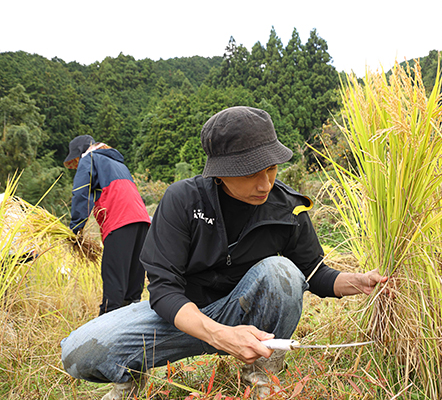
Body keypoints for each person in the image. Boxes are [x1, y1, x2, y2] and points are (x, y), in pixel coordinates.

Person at [60, 107, 387, 400]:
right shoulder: (183, 200)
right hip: (183, 316)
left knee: (283, 272)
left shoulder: (288, 208)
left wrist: (358, 281)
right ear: (219, 170)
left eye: (271, 168)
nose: (265, 184)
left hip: (244, 317)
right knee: (78, 352)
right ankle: (131, 375)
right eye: (250, 173)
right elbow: (164, 291)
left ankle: (261, 372)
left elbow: (314, 274)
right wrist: (220, 334)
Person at [63, 135, 151, 315]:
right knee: (133, 287)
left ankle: (106, 336)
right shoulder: (118, 163)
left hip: (120, 221)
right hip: (142, 222)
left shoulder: (90, 158)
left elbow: (81, 192)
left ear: (80, 153)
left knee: (115, 285)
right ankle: (133, 332)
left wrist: (76, 228)